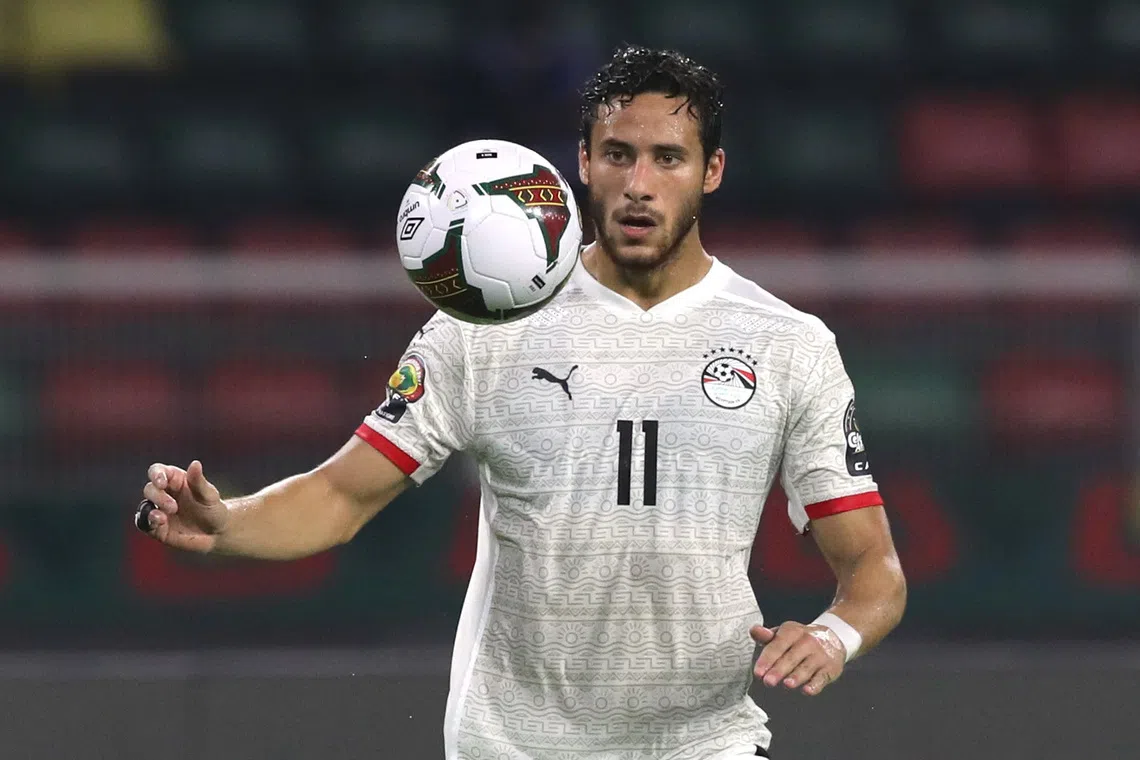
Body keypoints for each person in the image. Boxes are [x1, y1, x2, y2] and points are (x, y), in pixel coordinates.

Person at [137, 45, 907, 760]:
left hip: (705, 740)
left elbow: (872, 567)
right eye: (618, 155)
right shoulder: (484, 326)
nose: (639, 184)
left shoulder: (788, 345)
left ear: (712, 171)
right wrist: (229, 523)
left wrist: (833, 636)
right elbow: (340, 495)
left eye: (668, 158)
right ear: (583, 164)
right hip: (515, 745)